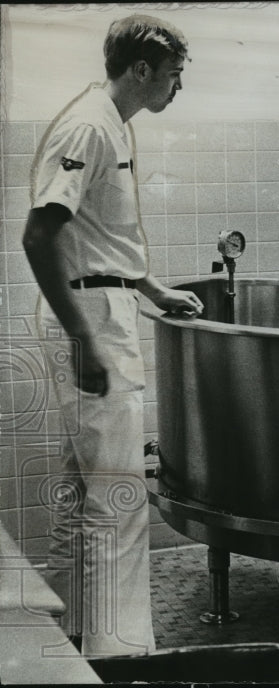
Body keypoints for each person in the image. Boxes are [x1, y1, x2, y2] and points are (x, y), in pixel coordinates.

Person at [22, 14, 204, 657]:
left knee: (83, 490)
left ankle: (66, 640)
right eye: (175, 75)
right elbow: (39, 236)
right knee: (120, 499)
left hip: (102, 305)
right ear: (142, 70)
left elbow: (96, 236)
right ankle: (120, 653)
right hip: (91, 319)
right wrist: (82, 341)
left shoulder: (112, 122)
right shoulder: (90, 125)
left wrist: (148, 286)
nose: (179, 87)